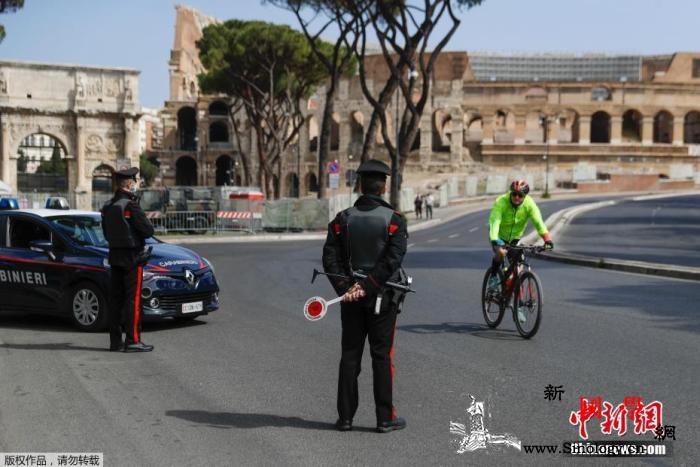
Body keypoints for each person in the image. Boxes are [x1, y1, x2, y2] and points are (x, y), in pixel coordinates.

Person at [322, 159, 409, 434]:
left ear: (360, 185)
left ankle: (345, 418)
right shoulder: (395, 221)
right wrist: (369, 285)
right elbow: (392, 260)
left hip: (350, 299)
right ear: (383, 186)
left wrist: (346, 288)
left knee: (350, 357)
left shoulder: (341, 220)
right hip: (383, 298)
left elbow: (330, 258)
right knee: (382, 357)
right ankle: (385, 419)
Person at [101, 167, 155, 352]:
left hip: (114, 256)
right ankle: (132, 340)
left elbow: (107, 234)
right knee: (133, 300)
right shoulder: (131, 205)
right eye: (136, 181)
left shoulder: (108, 206)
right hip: (133, 258)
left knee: (115, 300)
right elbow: (148, 230)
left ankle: (115, 342)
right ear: (130, 183)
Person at [487, 180, 553, 317]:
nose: (517, 197)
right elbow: (495, 221)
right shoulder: (501, 202)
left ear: (525, 196)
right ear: (511, 193)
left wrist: (547, 239)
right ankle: (493, 276)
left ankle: (517, 305)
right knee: (500, 252)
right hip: (498, 236)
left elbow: (538, 222)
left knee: (519, 268)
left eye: (520, 195)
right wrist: (495, 239)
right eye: (515, 194)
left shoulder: (529, 204)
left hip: (515, 238)